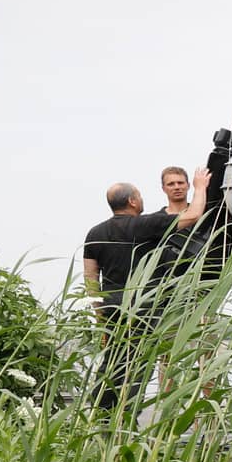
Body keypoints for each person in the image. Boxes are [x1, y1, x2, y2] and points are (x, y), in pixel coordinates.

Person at [81, 172, 210, 412]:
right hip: (143, 307)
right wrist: (200, 187)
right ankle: (128, 416)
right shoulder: (144, 225)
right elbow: (193, 215)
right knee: (138, 365)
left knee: (111, 362)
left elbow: (90, 278)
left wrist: (100, 317)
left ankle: (100, 413)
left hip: (111, 308)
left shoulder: (94, 233)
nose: (141, 200)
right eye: (139, 196)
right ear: (132, 201)